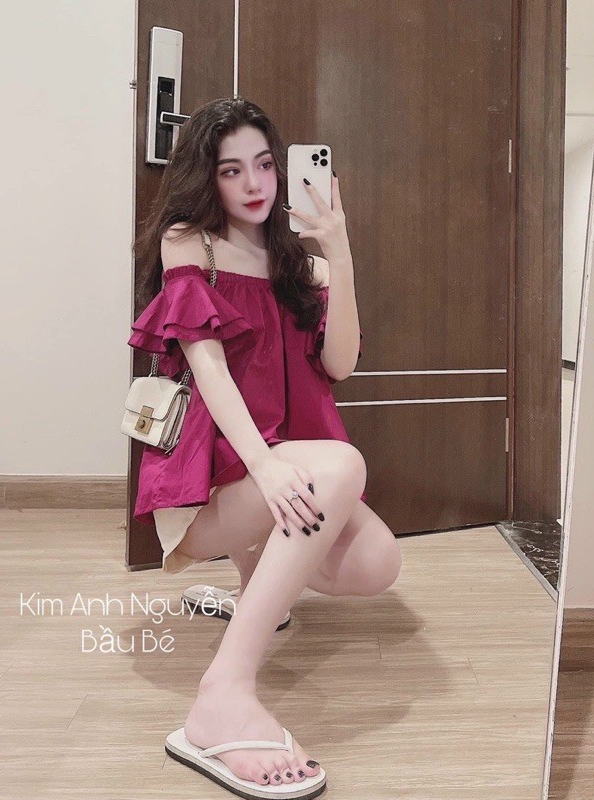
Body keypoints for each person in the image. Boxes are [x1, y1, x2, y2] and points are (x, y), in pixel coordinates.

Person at [127, 97, 403, 799]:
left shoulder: (294, 266)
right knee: (339, 465)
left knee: (379, 562)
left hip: (275, 475)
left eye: (263, 165)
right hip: (214, 485)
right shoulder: (191, 243)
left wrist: (338, 254)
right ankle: (221, 696)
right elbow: (210, 372)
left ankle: (259, 594)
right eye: (231, 170)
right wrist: (267, 465)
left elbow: (340, 365)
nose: (254, 184)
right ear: (207, 176)